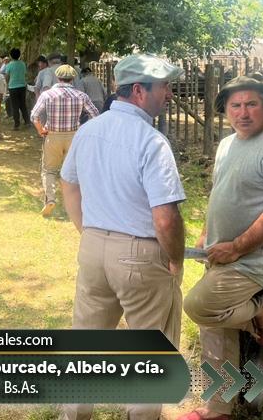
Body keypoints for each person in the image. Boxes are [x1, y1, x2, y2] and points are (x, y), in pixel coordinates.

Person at [59, 54, 185, 420]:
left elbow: (69, 183)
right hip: (140, 256)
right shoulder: (152, 141)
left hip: (94, 249)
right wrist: (175, 258)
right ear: (139, 91)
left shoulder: (89, 130)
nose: (169, 94)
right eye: (164, 87)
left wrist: (87, 230)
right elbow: (165, 218)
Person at [180, 75, 263, 420]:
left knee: (199, 306)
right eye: (235, 105)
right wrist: (206, 233)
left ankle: (262, 306)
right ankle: (218, 407)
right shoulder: (226, 144)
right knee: (215, 331)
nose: (243, 112)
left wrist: (238, 247)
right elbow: (220, 192)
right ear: (225, 109)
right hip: (220, 254)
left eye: (251, 104)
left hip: (251, 262)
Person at [31, 65, 99, 217]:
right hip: (74, 137)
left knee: (49, 170)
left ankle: (50, 199)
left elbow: (34, 116)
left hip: (52, 136)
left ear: (57, 77)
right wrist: (84, 130)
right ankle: (75, 203)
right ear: (73, 78)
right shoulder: (81, 95)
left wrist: (40, 130)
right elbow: (95, 114)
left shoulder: (47, 94)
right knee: (73, 171)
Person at [3, 48, 30, 130]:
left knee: (15, 106)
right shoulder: (23, 64)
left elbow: (7, 76)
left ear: (10, 56)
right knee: (23, 105)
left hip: (13, 87)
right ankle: (27, 122)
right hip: (22, 86)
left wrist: (7, 84)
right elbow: (25, 74)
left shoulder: (9, 65)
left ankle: (16, 125)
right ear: (19, 55)